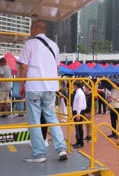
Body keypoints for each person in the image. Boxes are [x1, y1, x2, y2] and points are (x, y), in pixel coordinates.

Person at [19, 20, 68, 162]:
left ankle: (39, 153)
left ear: (35, 28)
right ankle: (61, 148)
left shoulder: (29, 44)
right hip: (50, 87)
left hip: (34, 86)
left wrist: (21, 85)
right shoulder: (54, 45)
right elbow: (57, 67)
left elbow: (23, 67)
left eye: (30, 28)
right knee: (51, 117)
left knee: (35, 120)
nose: (30, 30)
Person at [72, 81, 86, 148]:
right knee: (77, 127)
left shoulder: (79, 93)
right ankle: (78, 141)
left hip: (79, 111)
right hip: (78, 111)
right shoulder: (78, 92)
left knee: (79, 127)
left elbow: (79, 104)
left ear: (75, 85)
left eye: (73, 85)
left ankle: (80, 142)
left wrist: (78, 114)